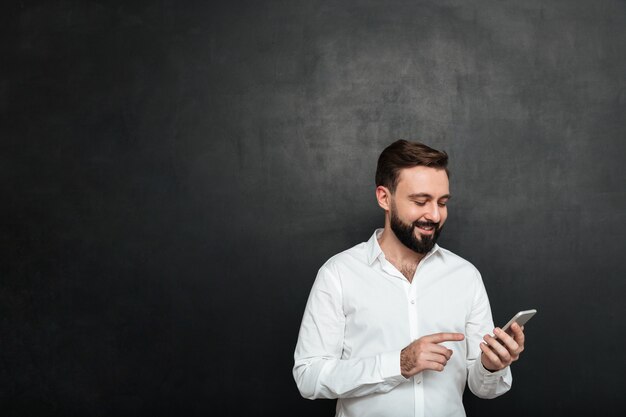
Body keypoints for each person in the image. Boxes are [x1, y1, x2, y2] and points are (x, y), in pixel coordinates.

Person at [293, 140, 526, 417]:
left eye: (442, 202)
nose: (435, 215)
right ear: (384, 198)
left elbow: (483, 388)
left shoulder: (465, 276)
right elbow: (308, 377)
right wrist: (399, 364)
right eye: (420, 201)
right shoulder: (338, 274)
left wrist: (490, 365)